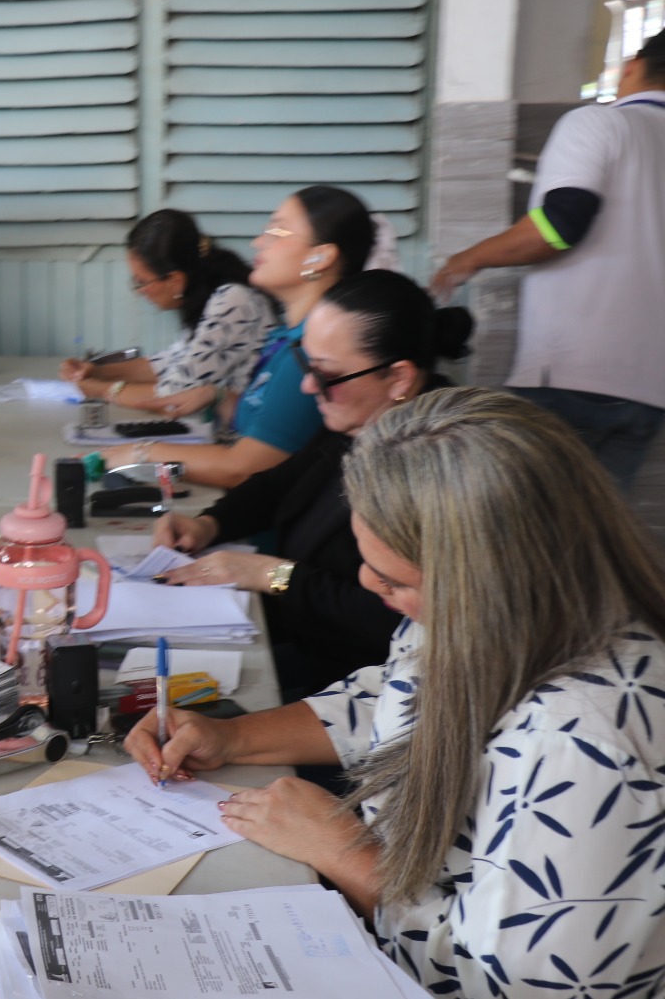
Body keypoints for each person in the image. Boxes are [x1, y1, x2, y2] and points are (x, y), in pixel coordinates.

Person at [127, 387, 665, 997]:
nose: (364, 580)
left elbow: (519, 986)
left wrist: (345, 854)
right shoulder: (500, 611)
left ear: (493, 574)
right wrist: (233, 736)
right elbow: (399, 697)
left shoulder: (589, 745)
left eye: (394, 579)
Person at [154, 271, 474, 701]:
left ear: (398, 378)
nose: (308, 386)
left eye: (325, 375)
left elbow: (391, 620)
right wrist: (208, 525)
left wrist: (272, 575)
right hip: (309, 650)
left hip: (367, 686)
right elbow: (277, 484)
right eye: (306, 364)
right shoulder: (360, 419)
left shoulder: (440, 463)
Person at [431, 25, 665, 489]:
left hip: (571, 375)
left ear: (633, 65)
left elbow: (562, 225)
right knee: (588, 543)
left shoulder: (597, 123)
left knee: (522, 534)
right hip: (649, 391)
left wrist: (470, 257)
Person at [98, 186, 376, 489]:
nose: (258, 242)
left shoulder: (312, 352)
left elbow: (240, 468)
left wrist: (141, 453)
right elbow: (264, 420)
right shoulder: (287, 336)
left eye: (277, 231)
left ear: (320, 256)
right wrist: (217, 396)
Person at [59, 209, 275, 421]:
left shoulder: (233, 300)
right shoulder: (209, 293)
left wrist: (97, 390)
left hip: (244, 436)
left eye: (142, 282)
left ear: (175, 280)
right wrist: (98, 372)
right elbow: (173, 361)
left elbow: (173, 396)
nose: (139, 292)